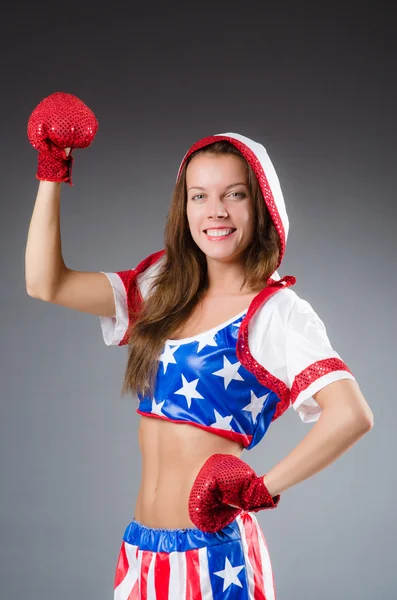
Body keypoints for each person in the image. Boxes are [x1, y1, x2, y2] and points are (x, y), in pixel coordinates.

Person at [25, 92, 374, 599]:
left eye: (235, 194)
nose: (216, 211)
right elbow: (45, 283)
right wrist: (51, 171)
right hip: (141, 549)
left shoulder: (276, 311)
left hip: (215, 555)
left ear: (263, 204)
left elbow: (352, 415)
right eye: (199, 195)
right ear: (183, 206)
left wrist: (259, 490)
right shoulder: (161, 286)